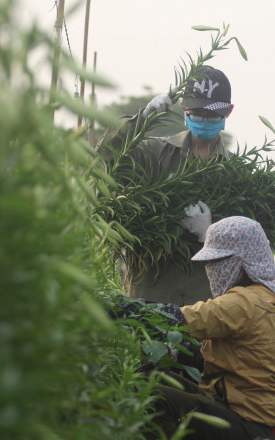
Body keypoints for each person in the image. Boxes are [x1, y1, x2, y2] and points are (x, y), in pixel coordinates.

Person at [148, 216, 275, 440]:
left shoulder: (244, 302)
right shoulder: (265, 298)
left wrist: (125, 308)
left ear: (242, 262)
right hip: (246, 415)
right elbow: (233, 360)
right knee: (156, 377)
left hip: (247, 425)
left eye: (217, 262)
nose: (212, 269)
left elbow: (186, 319)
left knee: (152, 398)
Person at [98, 66, 235, 306]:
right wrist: (141, 120)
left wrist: (209, 234)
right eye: (197, 113)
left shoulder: (236, 173)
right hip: (151, 296)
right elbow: (107, 156)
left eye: (212, 116)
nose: (204, 121)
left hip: (205, 305)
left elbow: (245, 255)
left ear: (228, 112)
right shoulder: (154, 153)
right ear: (183, 108)